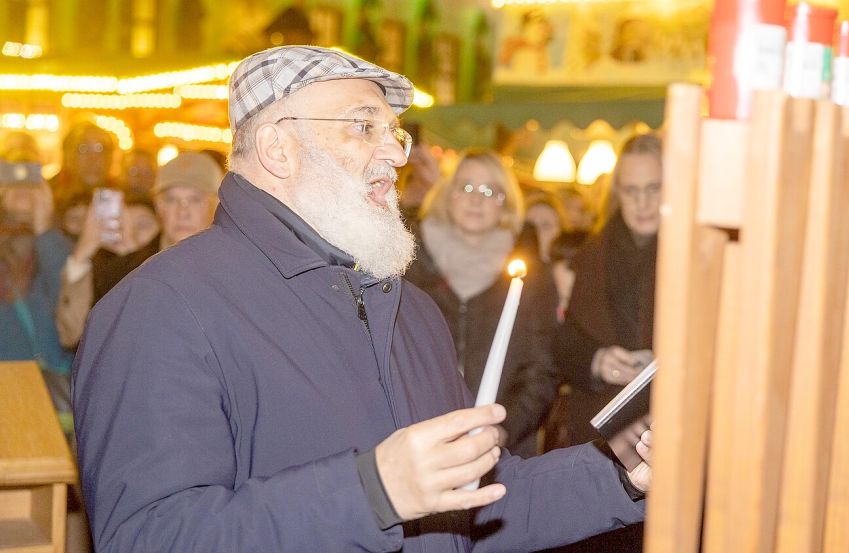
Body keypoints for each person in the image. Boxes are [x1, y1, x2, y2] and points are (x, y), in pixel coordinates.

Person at [72, 46, 650, 552]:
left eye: (393, 132)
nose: (396, 155)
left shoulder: (411, 312)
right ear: (277, 148)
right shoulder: (162, 307)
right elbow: (152, 536)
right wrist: (373, 492)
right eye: (363, 127)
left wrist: (620, 474)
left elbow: (475, 503)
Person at [546, 134, 662, 552]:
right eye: (631, 191)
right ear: (617, 194)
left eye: (654, 188)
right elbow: (565, 339)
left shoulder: (698, 251)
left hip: (668, 431)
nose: (642, 202)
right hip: (601, 433)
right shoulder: (594, 251)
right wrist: (596, 360)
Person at [405, 150, 559, 458]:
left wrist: (505, 428)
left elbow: (542, 366)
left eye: (489, 191)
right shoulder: (409, 262)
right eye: (466, 187)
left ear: (505, 204)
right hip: (422, 439)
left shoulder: (530, 274)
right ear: (448, 195)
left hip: (504, 446)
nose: (476, 200)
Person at [57, 151, 221, 348]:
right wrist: (82, 255)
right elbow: (79, 339)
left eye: (195, 199)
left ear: (216, 205)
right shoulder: (122, 272)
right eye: (171, 200)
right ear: (159, 206)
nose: (182, 211)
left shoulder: (233, 271)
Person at [0, 158, 75, 415]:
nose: (23, 192)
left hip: (48, 377)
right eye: (13, 185)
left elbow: (65, 296)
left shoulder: (59, 245)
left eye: (31, 186)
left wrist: (44, 230)